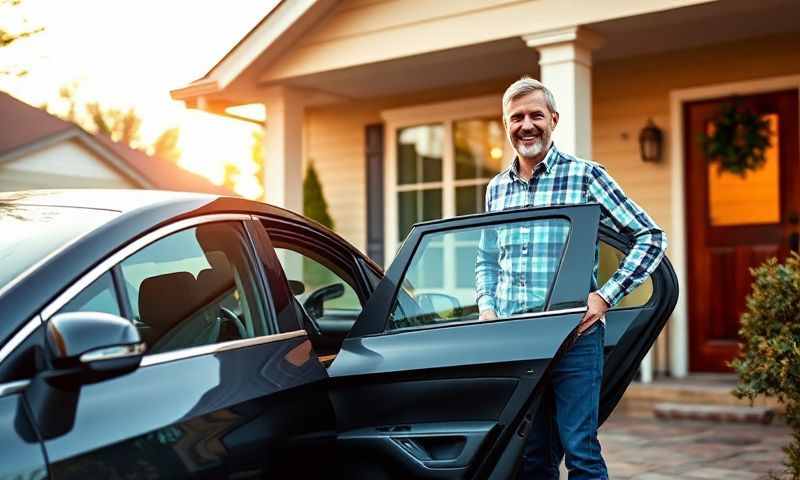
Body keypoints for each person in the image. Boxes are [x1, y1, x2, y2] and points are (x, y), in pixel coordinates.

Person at [475, 77, 667, 479]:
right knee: (532, 453)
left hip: (574, 337)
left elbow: (651, 237)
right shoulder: (496, 190)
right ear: (506, 125)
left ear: (554, 120)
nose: (526, 125)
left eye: (536, 115)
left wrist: (605, 298)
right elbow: (487, 258)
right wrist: (487, 307)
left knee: (580, 450)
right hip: (518, 339)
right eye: (517, 117)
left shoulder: (585, 177)